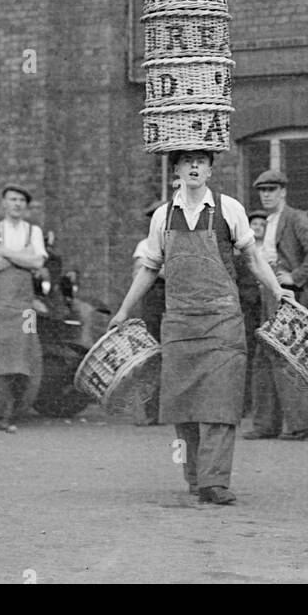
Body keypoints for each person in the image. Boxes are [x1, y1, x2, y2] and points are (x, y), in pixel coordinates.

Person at [110, 149, 291, 505]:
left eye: (201, 161)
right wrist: (123, 310)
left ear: (210, 169)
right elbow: (148, 268)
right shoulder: (163, 216)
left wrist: (277, 289)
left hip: (223, 320)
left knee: (221, 401)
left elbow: (253, 258)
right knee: (184, 403)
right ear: (175, 169)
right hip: (179, 321)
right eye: (187, 160)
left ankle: (215, 482)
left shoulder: (230, 209)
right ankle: (195, 477)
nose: (194, 166)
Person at [244, 168, 308, 442]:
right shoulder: (268, 221)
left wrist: (296, 277)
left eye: (271, 190)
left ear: (283, 192)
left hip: (287, 295)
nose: (266, 196)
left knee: (287, 356)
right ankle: (265, 424)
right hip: (269, 294)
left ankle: (303, 424)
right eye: (262, 191)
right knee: (264, 356)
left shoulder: (295, 218)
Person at [0, 181, 46, 432]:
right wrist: (21, 258)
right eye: (12, 199)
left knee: (21, 356)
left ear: (26, 206)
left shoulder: (33, 231)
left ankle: (6, 414)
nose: (17, 204)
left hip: (24, 307)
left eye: (21, 201)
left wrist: (5, 253)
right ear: (3, 203)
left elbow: (37, 262)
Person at [133, 199, 166, 426]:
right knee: (152, 356)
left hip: (177, 304)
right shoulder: (144, 245)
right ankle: (152, 411)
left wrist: (155, 269)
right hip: (153, 304)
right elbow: (139, 273)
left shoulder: (180, 243)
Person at [234, 211, 266, 415]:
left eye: (262, 224)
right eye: (254, 223)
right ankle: (245, 404)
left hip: (266, 306)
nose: (258, 227)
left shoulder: (271, 249)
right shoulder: (242, 252)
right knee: (247, 353)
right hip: (249, 308)